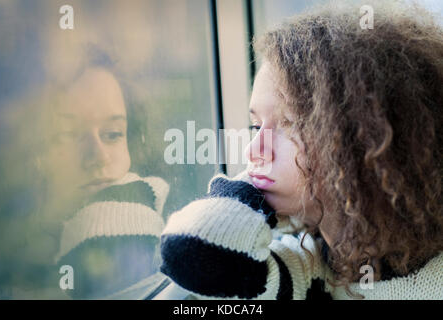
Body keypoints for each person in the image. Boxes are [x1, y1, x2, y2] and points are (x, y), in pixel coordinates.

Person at [160, 0, 443, 299]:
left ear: (364, 139)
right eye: (256, 126)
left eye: (289, 123)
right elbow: (187, 252)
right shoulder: (304, 267)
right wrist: (247, 192)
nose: (254, 150)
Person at [0, 67, 170, 299]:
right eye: (68, 134)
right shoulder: (8, 255)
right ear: (37, 154)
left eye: (113, 133)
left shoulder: (134, 217)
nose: (98, 156)